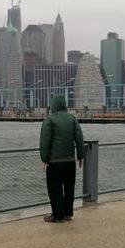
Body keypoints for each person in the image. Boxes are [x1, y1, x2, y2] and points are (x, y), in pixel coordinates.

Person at [39, 94, 85, 222]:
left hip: (55, 162)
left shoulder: (50, 120)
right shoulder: (72, 119)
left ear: (53, 105)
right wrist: (80, 156)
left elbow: (45, 141)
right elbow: (80, 139)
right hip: (70, 161)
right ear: (64, 105)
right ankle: (67, 213)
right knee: (69, 188)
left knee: (55, 188)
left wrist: (44, 158)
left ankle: (57, 215)